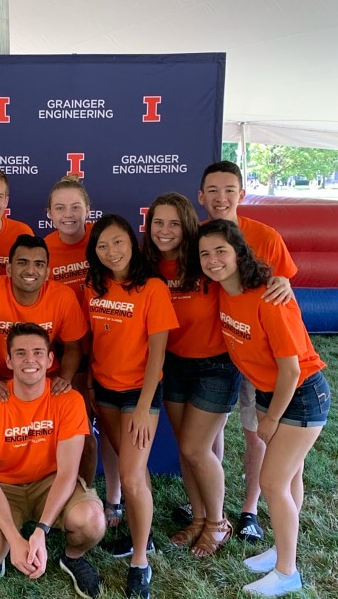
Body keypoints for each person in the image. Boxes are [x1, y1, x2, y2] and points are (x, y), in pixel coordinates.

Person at [198, 219, 330, 597]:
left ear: (239, 252)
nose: (212, 260)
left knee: (273, 481)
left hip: (301, 394)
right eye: (205, 253)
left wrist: (270, 419)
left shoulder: (270, 298)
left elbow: (291, 370)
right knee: (289, 479)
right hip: (272, 392)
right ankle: (281, 550)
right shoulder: (224, 291)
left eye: (221, 251)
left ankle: (288, 572)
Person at [0, 234, 88, 538]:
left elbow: (74, 347)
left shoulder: (62, 297)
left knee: (86, 441)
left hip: (45, 378)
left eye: (39, 264)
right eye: (22, 262)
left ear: (48, 271)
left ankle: (74, 501)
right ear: (9, 268)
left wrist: (64, 378)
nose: (31, 269)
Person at [0, 322, 106, 599]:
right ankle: (5, 546)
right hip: (4, 487)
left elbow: (66, 474)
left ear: (51, 359)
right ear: (8, 360)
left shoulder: (69, 400)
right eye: (21, 353)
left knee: (92, 522)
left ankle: (72, 557)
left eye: (39, 352)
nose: (30, 360)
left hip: (49, 482)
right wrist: (16, 541)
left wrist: (40, 531)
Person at [192, 160, 297, 543]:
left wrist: (283, 282)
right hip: (219, 351)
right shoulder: (196, 236)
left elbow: (282, 287)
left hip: (258, 355)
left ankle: (250, 509)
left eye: (229, 190)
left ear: (242, 192)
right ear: (201, 197)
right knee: (212, 432)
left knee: (254, 433)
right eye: (213, 191)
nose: (221, 198)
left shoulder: (265, 236)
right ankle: (208, 501)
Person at [84, 214, 179, 599]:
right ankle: (133, 527)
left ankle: (140, 559)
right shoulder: (93, 285)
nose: (111, 252)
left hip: (140, 394)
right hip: (104, 389)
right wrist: (90, 381)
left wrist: (142, 406)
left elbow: (158, 353)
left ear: (132, 243)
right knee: (118, 462)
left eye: (118, 242)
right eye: (103, 245)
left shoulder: (152, 288)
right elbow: (93, 338)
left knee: (133, 475)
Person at [142, 193, 240, 556]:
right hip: (175, 365)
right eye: (158, 223)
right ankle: (198, 519)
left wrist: (283, 282)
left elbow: (250, 278)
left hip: (216, 365)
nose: (165, 231)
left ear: (187, 225)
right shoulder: (147, 267)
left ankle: (219, 522)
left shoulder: (206, 261)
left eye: (173, 223)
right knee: (187, 451)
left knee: (196, 448)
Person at [44, 174, 117, 526]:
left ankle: (114, 499)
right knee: (76, 431)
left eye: (76, 206)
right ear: (49, 213)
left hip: (109, 347)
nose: (69, 214)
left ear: (89, 209)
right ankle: (70, 496)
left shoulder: (103, 243)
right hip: (68, 354)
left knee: (111, 426)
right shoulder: (42, 250)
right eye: (60, 207)